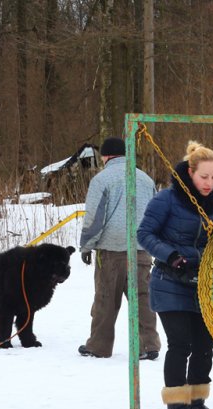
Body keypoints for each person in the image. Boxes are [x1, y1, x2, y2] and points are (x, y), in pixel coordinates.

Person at [137, 140, 213, 409]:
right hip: (170, 281)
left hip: (202, 284)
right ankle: (176, 408)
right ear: (190, 172)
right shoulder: (167, 199)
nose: (209, 183)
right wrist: (171, 254)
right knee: (181, 344)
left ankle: (197, 402)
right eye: (204, 176)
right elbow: (144, 234)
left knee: (204, 345)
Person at [77, 136, 161, 360]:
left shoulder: (102, 179)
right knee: (143, 299)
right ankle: (149, 345)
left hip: (111, 250)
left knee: (106, 299)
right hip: (142, 249)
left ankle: (99, 346)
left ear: (105, 156)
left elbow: (95, 218)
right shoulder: (144, 179)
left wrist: (86, 246)